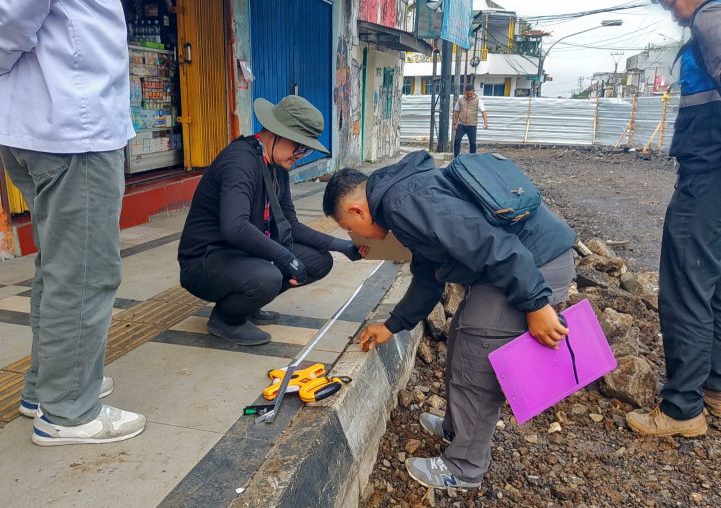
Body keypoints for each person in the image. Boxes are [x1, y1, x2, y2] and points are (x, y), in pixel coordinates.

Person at [0, 0, 145, 446]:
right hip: (71, 126)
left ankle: (48, 387)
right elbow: (13, 12)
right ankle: (68, 411)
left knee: (59, 265)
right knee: (84, 272)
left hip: (38, 123)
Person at [322, 151, 576, 489]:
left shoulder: (405, 202)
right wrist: (392, 325)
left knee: (477, 353)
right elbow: (429, 275)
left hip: (535, 264)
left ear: (357, 210)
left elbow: (490, 243)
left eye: (349, 228)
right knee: (462, 337)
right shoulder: (401, 199)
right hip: (518, 264)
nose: (357, 236)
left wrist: (536, 304)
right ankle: (456, 429)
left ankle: (465, 466)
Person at [178, 95, 362, 346]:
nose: (300, 155)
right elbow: (235, 227)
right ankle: (226, 319)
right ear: (277, 133)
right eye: (299, 147)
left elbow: (291, 225)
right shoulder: (240, 162)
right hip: (206, 260)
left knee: (318, 261)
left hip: (243, 254)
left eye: (306, 150)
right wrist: (285, 258)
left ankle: (247, 305)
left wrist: (343, 246)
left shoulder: (276, 166)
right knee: (270, 276)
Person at [626, 0, 721, 437]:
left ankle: (683, 409)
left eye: (668, 2)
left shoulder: (710, 16)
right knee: (712, 285)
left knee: (686, 288)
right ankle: (714, 386)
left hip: (708, 175)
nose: (670, 11)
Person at [452, 84, 488, 157]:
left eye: (471, 93)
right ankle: (456, 156)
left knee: (473, 143)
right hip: (461, 124)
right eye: (468, 93)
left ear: (473, 92)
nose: (469, 95)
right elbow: (457, 111)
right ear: (465, 92)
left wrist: (485, 122)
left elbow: (483, 111)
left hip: (472, 125)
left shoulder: (478, 100)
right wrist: (455, 122)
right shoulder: (460, 99)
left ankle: (472, 158)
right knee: (457, 140)